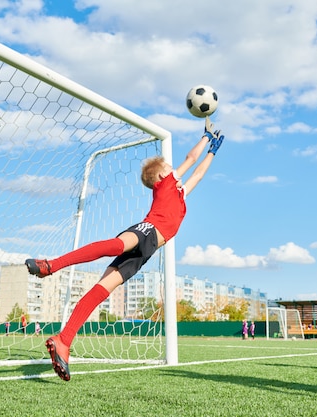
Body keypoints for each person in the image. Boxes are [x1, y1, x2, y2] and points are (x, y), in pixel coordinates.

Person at [25, 117, 224, 381]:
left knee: (101, 289)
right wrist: (205, 138)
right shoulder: (164, 185)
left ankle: (64, 340)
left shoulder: (180, 194)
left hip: (147, 251)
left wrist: (212, 152)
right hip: (147, 230)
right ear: (162, 176)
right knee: (115, 245)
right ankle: (51, 265)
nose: (173, 168)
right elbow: (190, 160)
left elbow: (198, 173)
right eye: (169, 167)